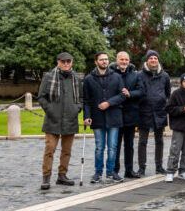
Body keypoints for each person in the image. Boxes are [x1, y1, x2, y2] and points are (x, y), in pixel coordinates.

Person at [39, 52, 84, 190]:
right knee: (49, 149)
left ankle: (62, 175)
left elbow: (81, 98)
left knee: (66, 151)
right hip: (53, 119)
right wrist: (50, 109)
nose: (66, 63)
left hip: (70, 119)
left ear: (71, 62)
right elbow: (41, 97)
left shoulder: (76, 78)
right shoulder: (49, 77)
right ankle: (46, 177)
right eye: (63, 61)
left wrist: (77, 108)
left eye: (68, 61)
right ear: (58, 62)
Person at [83, 51, 127, 183]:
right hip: (97, 117)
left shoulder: (116, 77)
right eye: (101, 60)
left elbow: (122, 95)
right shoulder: (89, 79)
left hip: (113, 116)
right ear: (96, 62)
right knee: (99, 147)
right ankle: (97, 172)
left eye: (106, 59)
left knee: (113, 147)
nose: (104, 62)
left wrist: (109, 103)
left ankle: (111, 171)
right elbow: (86, 100)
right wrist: (87, 116)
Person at [137, 50, 171, 177]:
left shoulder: (165, 76)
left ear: (158, 60)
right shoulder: (139, 75)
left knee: (159, 140)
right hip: (144, 112)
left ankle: (159, 166)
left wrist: (165, 105)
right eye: (150, 58)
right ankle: (141, 167)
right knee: (142, 141)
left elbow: (168, 94)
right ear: (147, 60)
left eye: (155, 58)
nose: (153, 60)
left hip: (160, 111)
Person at [111, 52, 144, 179]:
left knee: (129, 145)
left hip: (131, 114)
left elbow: (141, 91)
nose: (124, 62)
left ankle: (129, 170)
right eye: (121, 59)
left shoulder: (135, 75)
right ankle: (114, 170)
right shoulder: (111, 74)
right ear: (117, 60)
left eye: (126, 60)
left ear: (129, 61)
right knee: (116, 145)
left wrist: (130, 94)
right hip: (116, 114)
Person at [164, 74, 185, 182]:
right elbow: (169, 108)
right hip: (179, 126)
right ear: (181, 82)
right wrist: (182, 109)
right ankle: (170, 171)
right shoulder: (176, 93)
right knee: (175, 149)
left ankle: (183, 171)